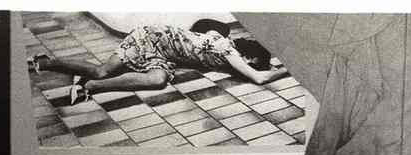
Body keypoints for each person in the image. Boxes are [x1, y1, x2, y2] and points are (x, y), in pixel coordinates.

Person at [28, 21, 288, 104]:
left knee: (158, 79)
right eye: (253, 62)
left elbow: (206, 29)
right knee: (102, 69)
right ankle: (47, 63)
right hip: (149, 37)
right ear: (248, 56)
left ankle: (90, 86)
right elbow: (259, 78)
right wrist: (288, 69)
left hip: (163, 53)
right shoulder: (227, 50)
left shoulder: (221, 41)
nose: (250, 65)